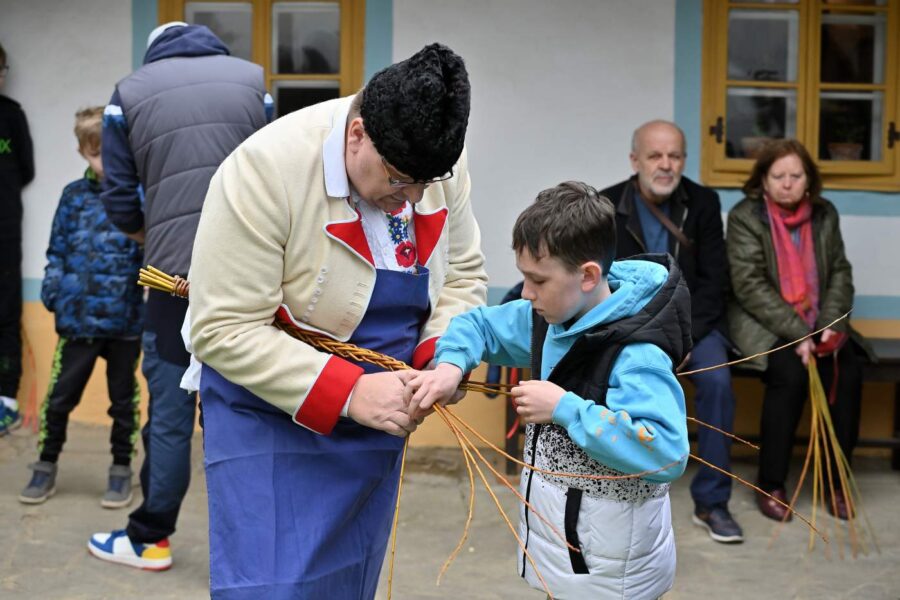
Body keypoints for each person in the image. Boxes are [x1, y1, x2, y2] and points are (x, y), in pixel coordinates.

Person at [188, 43, 486, 598]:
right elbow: (223, 328)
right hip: (270, 410)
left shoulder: (433, 160)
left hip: (381, 415)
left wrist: (446, 357)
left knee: (345, 582)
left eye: (425, 184)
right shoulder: (263, 170)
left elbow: (463, 274)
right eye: (399, 179)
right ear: (356, 135)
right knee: (270, 585)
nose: (412, 200)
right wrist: (349, 393)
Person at [405, 181, 690, 600]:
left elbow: (666, 452)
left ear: (588, 275)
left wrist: (565, 409)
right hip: (566, 552)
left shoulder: (636, 356)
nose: (525, 292)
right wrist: (450, 366)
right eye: (524, 277)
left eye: (538, 280)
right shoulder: (549, 318)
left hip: (614, 571)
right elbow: (478, 325)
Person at [87, 22, 270, 570]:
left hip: (172, 280)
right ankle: (255, 552)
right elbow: (278, 173)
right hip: (251, 276)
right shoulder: (253, 81)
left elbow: (119, 195)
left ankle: (151, 540)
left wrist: (152, 235)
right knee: (245, 413)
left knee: (169, 414)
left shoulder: (129, 93)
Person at [601, 120, 743, 543]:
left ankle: (712, 502)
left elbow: (715, 282)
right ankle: (615, 490)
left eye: (675, 156)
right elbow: (603, 281)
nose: (666, 165)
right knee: (607, 380)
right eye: (655, 156)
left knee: (717, 383)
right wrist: (640, 334)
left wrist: (684, 337)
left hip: (694, 326)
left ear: (684, 160)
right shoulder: (607, 205)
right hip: (630, 327)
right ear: (635, 160)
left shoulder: (703, 203)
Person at [726, 138, 873, 522]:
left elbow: (839, 271)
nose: (787, 184)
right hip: (763, 322)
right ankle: (771, 483)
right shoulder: (745, 216)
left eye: (796, 175)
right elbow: (749, 285)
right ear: (763, 180)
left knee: (846, 370)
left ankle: (837, 482)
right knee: (789, 374)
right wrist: (798, 333)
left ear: (809, 180)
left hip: (820, 319)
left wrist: (828, 327)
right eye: (778, 176)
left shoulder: (825, 214)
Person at [18, 107, 143, 507]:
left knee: (123, 403)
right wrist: (54, 292)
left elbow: (150, 251)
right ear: (82, 152)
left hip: (125, 323)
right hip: (78, 321)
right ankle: (45, 465)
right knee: (59, 400)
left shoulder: (137, 195)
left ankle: (121, 470)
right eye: (94, 153)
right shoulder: (72, 196)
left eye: (109, 152)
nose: (103, 162)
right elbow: (56, 251)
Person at [0, 42, 34, 435]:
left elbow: (26, 169)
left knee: (6, 312)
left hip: (5, 229)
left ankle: (6, 399)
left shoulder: (11, 115)